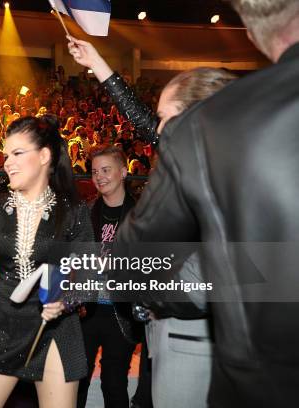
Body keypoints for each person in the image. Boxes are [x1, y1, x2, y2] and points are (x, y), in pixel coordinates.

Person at [91, 0, 299, 406]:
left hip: (212, 351)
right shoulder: (234, 136)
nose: (162, 129)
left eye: (168, 118)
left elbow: (134, 261)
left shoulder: (207, 138)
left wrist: (155, 299)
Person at [68, 36, 237, 408]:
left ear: (198, 117)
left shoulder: (227, 177)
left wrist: (146, 294)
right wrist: (98, 64)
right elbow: (139, 120)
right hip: (168, 335)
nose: (156, 130)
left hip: (195, 341)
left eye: (164, 118)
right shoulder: (199, 165)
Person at [0, 115, 94, 408]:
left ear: (44, 156)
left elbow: (90, 278)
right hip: (3, 325)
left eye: (17, 153)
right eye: (5, 155)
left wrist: (67, 301)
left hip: (55, 329)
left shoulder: (74, 211)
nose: (7, 162)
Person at [76, 145, 143, 408]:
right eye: (95, 172)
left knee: (114, 383)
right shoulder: (87, 211)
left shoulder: (142, 215)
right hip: (87, 311)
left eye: (106, 170)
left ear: (123, 172)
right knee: (77, 381)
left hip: (121, 314)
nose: (99, 177)